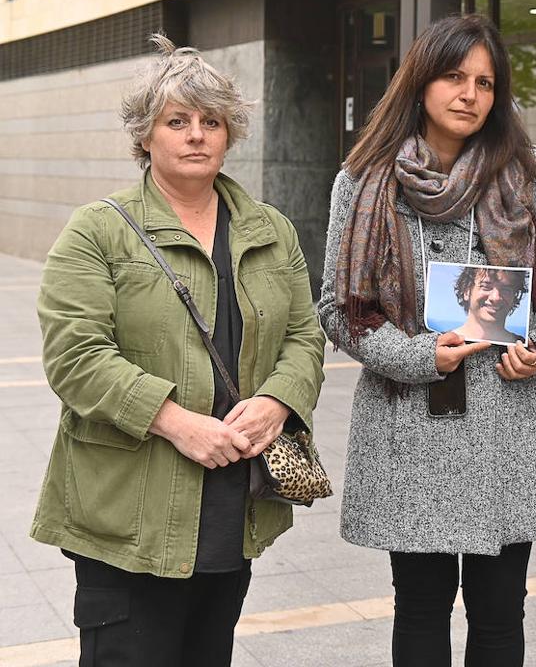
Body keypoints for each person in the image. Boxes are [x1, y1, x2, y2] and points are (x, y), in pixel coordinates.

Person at [30, 35, 326, 666]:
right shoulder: (98, 230)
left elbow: (305, 333)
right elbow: (75, 356)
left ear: (230, 134)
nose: (197, 135)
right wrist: (174, 421)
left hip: (230, 504)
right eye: (177, 121)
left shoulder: (269, 230)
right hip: (127, 509)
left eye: (211, 121)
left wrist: (278, 400)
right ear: (145, 136)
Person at [318, 13, 536, 666]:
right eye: (454, 76)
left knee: (499, 611)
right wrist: (417, 355)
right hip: (411, 424)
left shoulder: (523, 171)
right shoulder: (364, 180)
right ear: (421, 81)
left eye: (485, 82)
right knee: (420, 606)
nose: (470, 94)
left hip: (510, 421)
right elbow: (339, 306)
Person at [450, 266, 528, 344]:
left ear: (514, 298)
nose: (495, 298)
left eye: (505, 290)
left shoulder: (528, 349)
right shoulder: (442, 344)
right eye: (486, 287)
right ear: (466, 291)